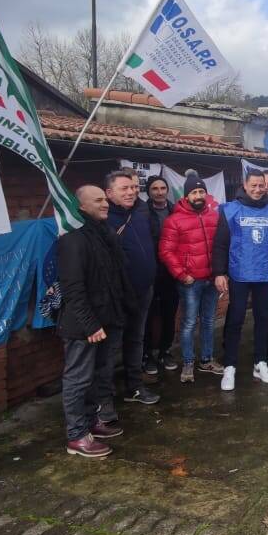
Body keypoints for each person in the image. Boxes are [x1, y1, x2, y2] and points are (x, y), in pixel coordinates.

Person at [56, 185, 129, 458]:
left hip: (106, 319)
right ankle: (77, 436)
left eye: (104, 199)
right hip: (83, 326)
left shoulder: (102, 234)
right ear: (82, 206)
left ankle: (90, 422)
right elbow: (73, 288)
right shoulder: (72, 241)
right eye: (98, 200)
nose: (105, 203)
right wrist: (90, 325)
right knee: (78, 379)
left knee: (97, 377)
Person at [213, 170, 268, 391]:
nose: (257, 189)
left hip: (265, 274)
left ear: (266, 187)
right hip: (239, 273)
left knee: (264, 318)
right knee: (235, 319)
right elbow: (220, 244)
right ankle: (230, 366)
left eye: (261, 186)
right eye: (253, 185)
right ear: (245, 185)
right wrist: (219, 272)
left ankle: (260, 362)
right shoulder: (230, 210)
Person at [158, 174, 225, 384]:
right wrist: (181, 275)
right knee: (188, 323)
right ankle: (188, 361)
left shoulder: (214, 217)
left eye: (201, 191)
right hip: (190, 282)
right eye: (194, 192)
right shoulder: (174, 220)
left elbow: (222, 247)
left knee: (208, 321)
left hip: (211, 279)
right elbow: (165, 251)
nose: (198, 195)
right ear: (186, 196)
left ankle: (206, 359)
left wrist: (221, 273)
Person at [103, 171, 161, 405]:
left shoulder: (142, 211)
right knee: (111, 345)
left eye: (134, 187)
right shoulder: (104, 219)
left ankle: (134, 387)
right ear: (109, 193)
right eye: (124, 188)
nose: (131, 192)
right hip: (117, 295)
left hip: (143, 289)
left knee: (136, 340)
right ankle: (104, 398)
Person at [143, 174, 179, 376]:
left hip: (171, 272)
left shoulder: (175, 211)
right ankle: (147, 355)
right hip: (149, 271)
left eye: (162, 188)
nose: (159, 192)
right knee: (146, 315)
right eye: (154, 188)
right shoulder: (141, 212)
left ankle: (165, 351)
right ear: (149, 191)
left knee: (168, 314)